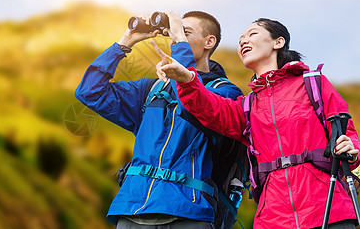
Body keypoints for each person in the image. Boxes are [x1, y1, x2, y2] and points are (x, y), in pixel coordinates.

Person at [154, 17, 360, 228]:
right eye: (240, 38)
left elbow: (346, 130)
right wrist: (187, 80)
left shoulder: (313, 83)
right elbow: (209, 108)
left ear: (278, 42)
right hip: (273, 216)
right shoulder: (247, 105)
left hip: (327, 208)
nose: (243, 41)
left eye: (252, 34)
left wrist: (351, 148)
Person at [75, 11, 243, 228]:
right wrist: (125, 43)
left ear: (209, 42)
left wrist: (180, 49)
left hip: (188, 212)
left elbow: (192, 105)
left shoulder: (226, 92)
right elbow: (90, 92)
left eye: (185, 32)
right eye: (174, 32)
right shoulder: (151, 90)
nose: (175, 37)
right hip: (132, 209)